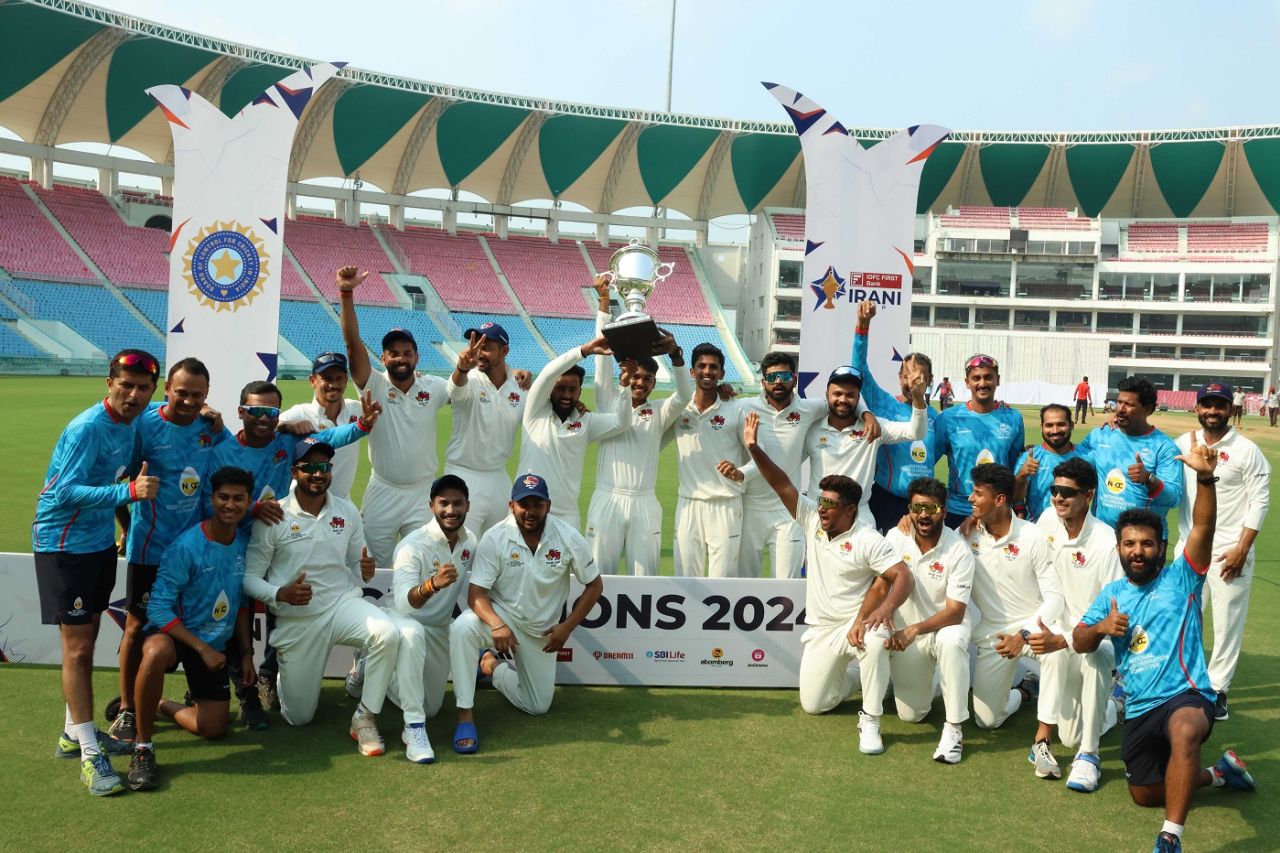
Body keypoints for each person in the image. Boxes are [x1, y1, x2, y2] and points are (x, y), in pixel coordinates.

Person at [1074, 437, 1256, 853]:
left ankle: (1170, 837)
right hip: (1139, 708)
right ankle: (1219, 773)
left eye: (1147, 544)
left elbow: (1205, 528)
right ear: (1119, 549)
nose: (1138, 552)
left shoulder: (1182, 578)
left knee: (1186, 730)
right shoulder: (1112, 594)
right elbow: (1079, 641)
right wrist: (1102, 626)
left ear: (1161, 547)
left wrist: (1206, 477)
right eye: (1129, 544)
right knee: (1145, 794)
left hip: (1185, 696)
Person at [204, 378, 378, 727]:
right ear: (242, 412)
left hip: (278, 535)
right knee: (229, 615)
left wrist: (361, 426)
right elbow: (214, 497)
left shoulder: (287, 440)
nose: (264, 418)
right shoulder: (224, 447)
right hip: (233, 541)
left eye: (271, 411)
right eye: (255, 411)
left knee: (279, 608)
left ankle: (267, 674)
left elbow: (329, 440)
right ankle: (238, 689)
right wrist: (251, 509)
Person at [743, 412, 913, 755]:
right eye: (821, 502)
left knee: (877, 640)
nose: (821, 509)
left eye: (830, 506)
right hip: (822, 629)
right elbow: (781, 483)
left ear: (851, 510)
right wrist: (754, 448)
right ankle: (864, 680)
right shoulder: (811, 520)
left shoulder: (868, 539)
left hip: (858, 626)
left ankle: (871, 719)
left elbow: (903, 576)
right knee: (814, 704)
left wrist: (883, 610)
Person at [36, 349, 160, 796]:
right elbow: (62, 491)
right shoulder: (88, 427)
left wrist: (123, 524)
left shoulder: (132, 426)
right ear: (109, 383)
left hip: (98, 544)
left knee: (86, 641)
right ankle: (90, 754)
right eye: (125, 385)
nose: (133, 394)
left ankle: (74, 734)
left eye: (142, 387)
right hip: (62, 544)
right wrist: (126, 491)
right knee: (79, 650)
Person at [243, 439, 401, 755]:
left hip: (341, 604)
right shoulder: (276, 516)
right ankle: (284, 679)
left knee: (387, 634)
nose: (318, 474)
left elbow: (358, 566)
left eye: (324, 467)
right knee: (298, 718)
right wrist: (280, 594)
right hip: (298, 620)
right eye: (310, 467)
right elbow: (248, 579)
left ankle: (365, 716)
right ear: (294, 471)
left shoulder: (346, 510)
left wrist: (365, 568)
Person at [109, 358, 225, 745]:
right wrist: (126, 528)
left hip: (193, 553)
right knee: (138, 626)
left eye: (197, 395)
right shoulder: (145, 426)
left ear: (207, 396)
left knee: (193, 620)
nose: (189, 401)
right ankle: (127, 708)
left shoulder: (210, 429)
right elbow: (119, 481)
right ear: (166, 391)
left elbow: (242, 452)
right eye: (182, 393)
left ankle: (186, 692)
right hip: (150, 549)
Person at [448, 473, 603, 753]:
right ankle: (465, 716)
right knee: (462, 628)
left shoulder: (567, 537)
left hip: (541, 631)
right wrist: (497, 624)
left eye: (537, 504)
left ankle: (490, 666)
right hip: (502, 618)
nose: (530, 512)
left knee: (537, 706)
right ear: (511, 505)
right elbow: (477, 595)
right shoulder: (495, 537)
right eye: (524, 504)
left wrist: (566, 627)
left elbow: (594, 584)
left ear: (548, 505)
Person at [126, 466, 256, 791]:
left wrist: (247, 655)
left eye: (238, 499)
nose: (230, 505)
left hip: (215, 644)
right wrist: (202, 648)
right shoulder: (186, 546)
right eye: (223, 497)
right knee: (154, 652)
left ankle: (158, 703)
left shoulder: (244, 545)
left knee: (213, 728)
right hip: (177, 636)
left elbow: (241, 604)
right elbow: (157, 607)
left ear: (248, 502)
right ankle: (143, 749)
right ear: (211, 499)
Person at [337, 266, 450, 566]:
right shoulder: (373, 383)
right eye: (393, 353)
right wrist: (346, 293)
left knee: (424, 564)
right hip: (383, 490)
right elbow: (351, 344)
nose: (400, 358)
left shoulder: (435, 387)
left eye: (407, 352)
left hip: (423, 492)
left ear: (417, 357)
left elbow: (469, 390)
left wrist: (514, 377)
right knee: (373, 565)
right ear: (383, 358)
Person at [1173, 381, 1270, 721]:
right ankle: (1187, 682)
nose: (1212, 411)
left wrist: (1242, 549)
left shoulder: (1246, 449)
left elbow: (1260, 501)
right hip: (1189, 547)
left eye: (1220, 405)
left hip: (1231, 550)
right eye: (1207, 404)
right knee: (1184, 617)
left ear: (1231, 409)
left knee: (1227, 624)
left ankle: (1217, 691)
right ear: (1196, 408)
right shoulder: (1183, 443)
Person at [964, 464, 1068, 779]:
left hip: (1034, 629)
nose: (970, 498)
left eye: (978, 494)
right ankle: (1024, 692)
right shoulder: (966, 534)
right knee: (987, 720)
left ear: (999, 500)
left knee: (1071, 715)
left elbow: (1055, 599)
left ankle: (1043, 738)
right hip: (995, 635)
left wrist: (1024, 634)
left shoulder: (1033, 536)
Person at [1034, 458, 1123, 793]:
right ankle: (1112, 706)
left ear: (1089, 495)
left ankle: (1089, 755)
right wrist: (973, 523)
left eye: (1067, 493)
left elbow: (1112, 619)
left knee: (1099, 656)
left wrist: (1069, 639)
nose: (1058, 498)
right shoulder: (1046, 521)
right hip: (1060, 631)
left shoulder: (1105, 542)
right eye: (1054, 490)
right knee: (1068, 733)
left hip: (1096, 636)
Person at [586, 290, 690, 574]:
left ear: (654, 384)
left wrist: (675, 355)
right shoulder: (607, 398)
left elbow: (684, 395)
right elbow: (600, 360)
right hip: (607, 498)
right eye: (635, 376)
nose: (639, 382)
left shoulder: (658, 411)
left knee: (645, 577)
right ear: (625, 374)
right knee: (598, 574)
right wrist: (604, 305)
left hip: (645, 501)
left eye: (647, 378)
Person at [379, 474, 477, 763]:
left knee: (432, 707)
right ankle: (414, 728)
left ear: (467, 506)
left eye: (457, 503)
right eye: (443, 503)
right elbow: (404, 604)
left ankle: (379, 670)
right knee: (412, 633)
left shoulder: (470, 541)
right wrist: (432, 585)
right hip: (403, 619)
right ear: (431, 505)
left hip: (437, 627)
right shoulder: (412, 546)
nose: (451, 510)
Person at [883, 477, 974, 764]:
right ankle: (930, 678)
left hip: (943, 628)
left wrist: (914, 629)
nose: (924, 515)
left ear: (944, 512)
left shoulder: (958, 549)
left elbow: (956, 612)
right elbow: (880, 584)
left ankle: (954, 729)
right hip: (909, 636)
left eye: (931, 509)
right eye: (917, 508)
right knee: (912, 715)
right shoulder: (895, 538)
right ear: (909, 510)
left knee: (952, 640)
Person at [726, 352, 828, 578]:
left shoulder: (809, 409)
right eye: (772, 377)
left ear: (795, 378)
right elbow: (719, 402)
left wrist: (867, 414)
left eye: (784, 375)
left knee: (786, 587)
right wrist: (724, 391)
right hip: (750, 509)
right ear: (763, 382)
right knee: (745, 585)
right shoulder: (745, 407)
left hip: (789, 511)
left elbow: (844, 400)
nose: (778, 382)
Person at [518, 335, 633, 528]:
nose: (566, 395)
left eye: (573, 389)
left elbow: (621, 422)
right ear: (550, 389)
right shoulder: (535, 410)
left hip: (566, 515)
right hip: (527, 508)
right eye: (560, 388)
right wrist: (584, 350)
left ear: (580, 392)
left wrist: (624, 386)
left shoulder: (586, 421)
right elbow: (547, 374)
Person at [802, 362, 927, 529]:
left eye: (850, 395)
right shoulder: (812, 429)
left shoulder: (874, 427)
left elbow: (915, 432)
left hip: (859, 518)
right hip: (818, 515)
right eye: (837, 394)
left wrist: (918, 398)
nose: (843, 400)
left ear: (858, 397)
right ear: (827, 395)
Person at [854, 301, 942, 533]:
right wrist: (863, 326)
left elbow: (935, 455)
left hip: (923, 504)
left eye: (918, 377)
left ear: (929, 380)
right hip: (887, 501)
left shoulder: (936, 418)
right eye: (905, 376)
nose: (910, 382)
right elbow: (859, 369)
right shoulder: (884, 403)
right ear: (898, 377)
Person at [666, 343, 750, 577]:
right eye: (701, 366)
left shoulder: (736, 409)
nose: (707, 371)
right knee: (685, 579)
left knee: (722, 580)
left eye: (713, 367)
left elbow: (758, 458)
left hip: (725, 503)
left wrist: (741, 472)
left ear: (722, 374)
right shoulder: (678, 409)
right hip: (688, 503)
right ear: (691, 372)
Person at [444, 322, 531, 533]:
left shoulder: (519, 388)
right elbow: (455, 391)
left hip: (498, 477)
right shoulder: (470, 379)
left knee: (501, 548)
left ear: (504, 351)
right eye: (476, 346)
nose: (479, 353)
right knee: (459, 548)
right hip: (463, 474)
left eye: (486, 347)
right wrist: (462, 368)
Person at [1075, 376, 1182, 542]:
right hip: (1101, 537)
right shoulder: (1102, 434)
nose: (1121, 409)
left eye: (1129, 405)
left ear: (1147, 409)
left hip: (1144, 542)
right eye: (1119, 402)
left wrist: (1149, 479)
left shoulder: (1164, 446)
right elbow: (1072, 459)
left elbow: (1173, 498)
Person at [935, 354, 1026, 529]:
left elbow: (1015, 469)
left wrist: (1019, 506)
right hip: (959, 511)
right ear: (967, 382)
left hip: (998, 512)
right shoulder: (948, 418)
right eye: (976, 378)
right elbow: (928, 463)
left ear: (997, 380)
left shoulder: (1013, 418)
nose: (982, 383)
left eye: (988, 377)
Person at [278, 351, 364, 499]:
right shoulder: (300, 413)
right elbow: (268, 428)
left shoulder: (356, 409)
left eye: (339, 378)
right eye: (327, 378)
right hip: (303, 504)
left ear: (346, 380)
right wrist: (289, 425)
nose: (333, 385)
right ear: (313, 381)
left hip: (342, 505)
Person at [1013, 404, 1084, 521]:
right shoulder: (1029, 458)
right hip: (1039, 531)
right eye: (1049, 425)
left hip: (1075, 532)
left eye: (1061, 424)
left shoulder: (1086, 456)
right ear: (1042, 427)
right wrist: (1021, 476)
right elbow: (1016, 498)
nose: (1055, 431)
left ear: (1071, 425)